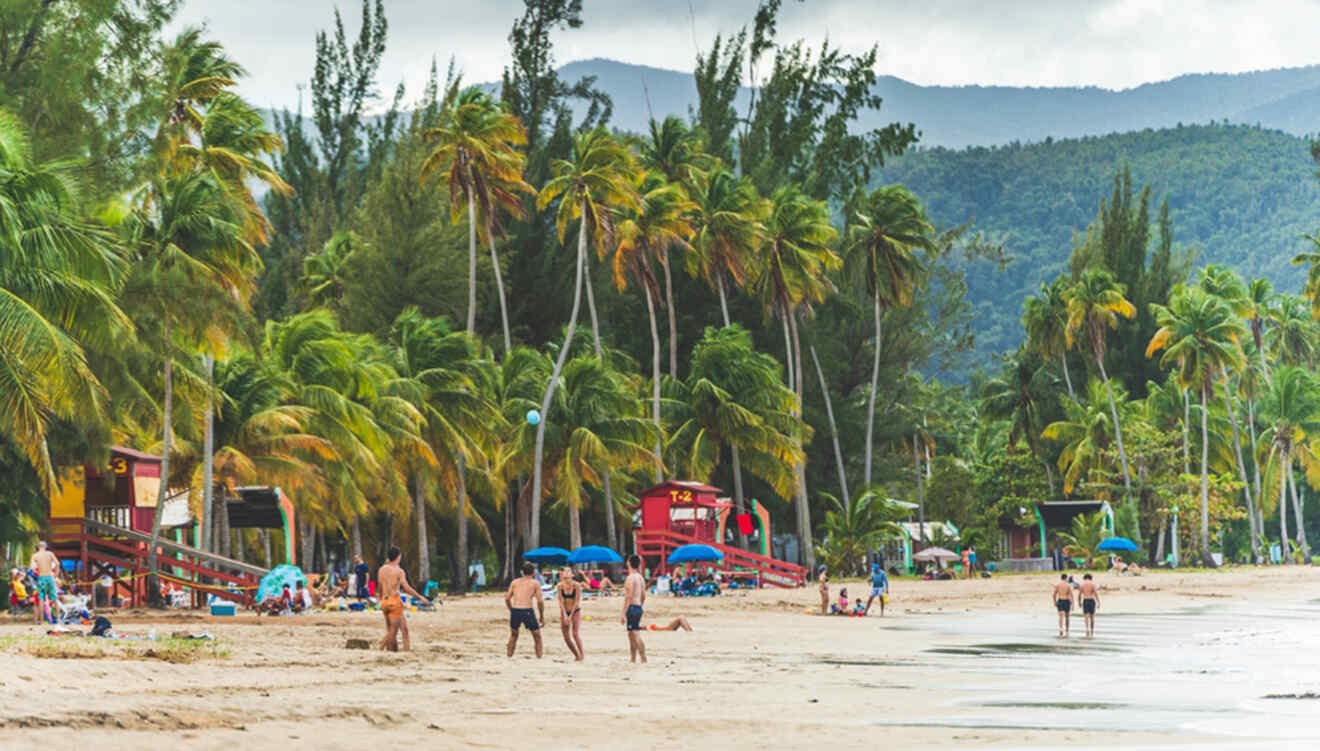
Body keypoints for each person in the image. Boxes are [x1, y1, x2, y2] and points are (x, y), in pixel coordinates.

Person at [377, 547, 429, 652]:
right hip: (394, 601)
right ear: (398, 557)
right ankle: (380, 649)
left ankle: (399, 651)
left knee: (399, 629)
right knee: (393, 631)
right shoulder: (399, 571)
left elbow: (380, 587)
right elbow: (406, 587)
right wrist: (419, 597)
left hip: (384, 601)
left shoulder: (381, 569)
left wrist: (380, 599)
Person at [505, 562, 545, 658]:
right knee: (537, 636)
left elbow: (507, 598)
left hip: (515, 610)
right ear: (534, 572)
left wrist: (511, 609)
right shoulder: (535, 583)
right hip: (527, 610)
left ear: (522, 572)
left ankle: (509, 656)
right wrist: (541, 616)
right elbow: (540, 601)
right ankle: (539, 657)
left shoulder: (514, 582)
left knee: (514, 635)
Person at [621, 554, 647, 663]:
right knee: (631, 633)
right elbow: (643, 595)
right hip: (638, 606)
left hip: (632, 607)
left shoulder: (630, 578)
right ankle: (633, 658)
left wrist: (623, 612)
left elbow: (628, 596)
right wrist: (640, 605)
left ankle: (643, 657)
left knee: (635, 633)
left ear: (629, 563)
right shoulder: (640, 577)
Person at [557, 567, 584, 661]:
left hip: (575, 610)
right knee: (566, 636)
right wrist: (565, 615)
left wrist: (570, 616)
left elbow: (576, 601)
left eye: (568, 571)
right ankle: (576, 654)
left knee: (575, 633)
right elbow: (560, 602)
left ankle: (582, 655)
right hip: (565, 610)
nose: (566, 572)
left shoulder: (576, 585)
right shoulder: (560, 586)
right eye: (564, 571)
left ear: (572, 575)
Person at [30, 541, 59, 625]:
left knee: (41, 598)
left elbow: (32, 568)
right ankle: (58, 620)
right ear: (45, 546)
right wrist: (56, 574)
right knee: (54, 598)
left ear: (37, 547)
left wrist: (36, 572)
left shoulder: (35, 555)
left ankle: (41, 621)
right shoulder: (50, 553)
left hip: (41, 577)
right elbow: (57, 563)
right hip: (50, 577)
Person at [1079, 573, 1100, 637]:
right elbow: (1096, 594)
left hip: (1085, 600)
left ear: (1085, 578)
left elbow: (1079, 595)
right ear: (1090, 578)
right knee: (1092, 617)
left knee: (1086, 617)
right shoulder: (1093, 584)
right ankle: (1092, 630)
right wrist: (1098, 602)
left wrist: (1079, 602)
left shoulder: (1082, 585)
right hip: (1091, 600)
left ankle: (1087, 629)